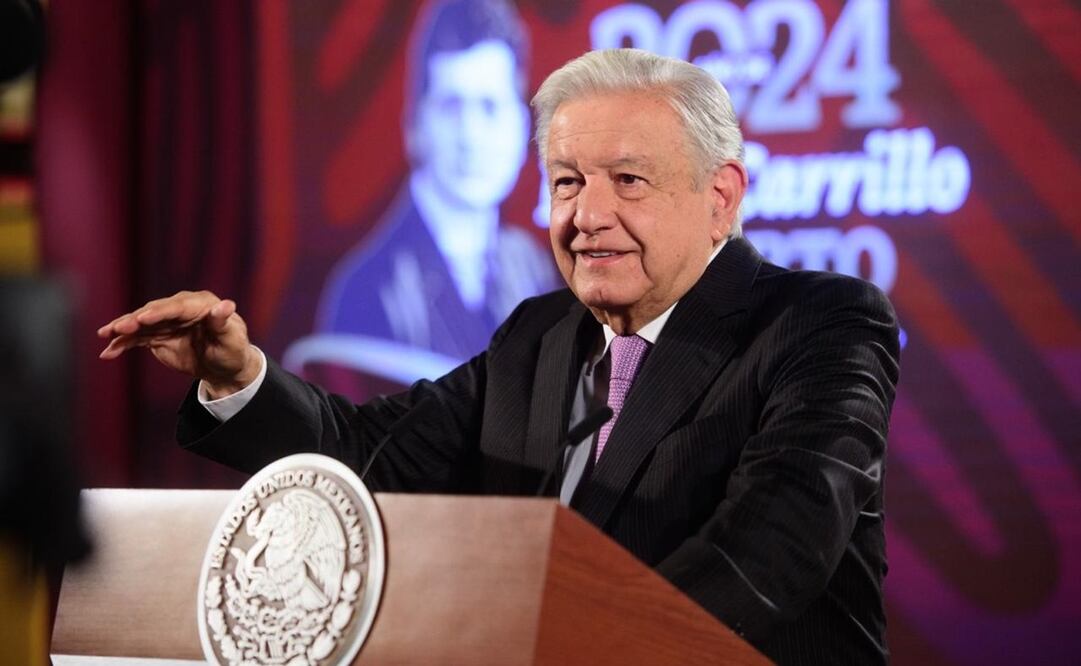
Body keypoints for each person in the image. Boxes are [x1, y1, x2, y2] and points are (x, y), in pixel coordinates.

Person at [99, 49, 900, 664]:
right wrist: (237, 379)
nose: (586, 215)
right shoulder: (541, 336)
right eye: (565, 182)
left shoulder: (818, 324)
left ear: (720, 196)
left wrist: (559, 643)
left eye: (627, 180)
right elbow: (367, 464)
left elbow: (772, 547)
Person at [312, 0, 558, 362]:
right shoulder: (372, 291)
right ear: (414, 125)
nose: (470, 136)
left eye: (490, 106)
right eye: (451, 106)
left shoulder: (530, 269)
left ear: (522, 126)